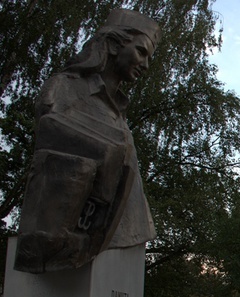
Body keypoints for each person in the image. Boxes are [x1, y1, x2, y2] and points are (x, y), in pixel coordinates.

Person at [14, 8, 159, 273]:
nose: (146, 65)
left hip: (125, 230)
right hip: (66, 232)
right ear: (115, 44)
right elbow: (49, 131)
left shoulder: (120, 114)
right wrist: (105, 150)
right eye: (141, 52)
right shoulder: (64, 87)